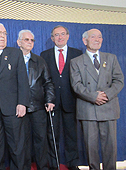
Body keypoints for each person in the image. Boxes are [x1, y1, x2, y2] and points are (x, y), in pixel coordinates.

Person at [70, 28, 124, 170]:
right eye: (93, 37)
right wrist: (94, 96)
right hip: (88, 109)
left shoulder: (111, 58)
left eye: (100, 37)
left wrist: (106, 95)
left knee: (110, 147)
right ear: (84, 40)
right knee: (91, 147)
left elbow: (119, 80)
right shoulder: (76, 62)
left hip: (109, 107)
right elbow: (76, 85)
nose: (97, 40)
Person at [0, 23, 30, 170]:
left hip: (13, 107)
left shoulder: (15, 53)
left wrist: (22, 103)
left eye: (4, 33)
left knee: (17, 146)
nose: (2, 36)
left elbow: (23, 80)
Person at [40, 25, 82, 170]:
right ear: (52, 38)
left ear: (68, 36)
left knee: (71, 136)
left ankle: (73, 164)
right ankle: (54, 164)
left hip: (71, 101)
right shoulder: (44, 55)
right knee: (52, 136)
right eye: (56, 35)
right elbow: (44, 80)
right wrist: (47, 99)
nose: (60, 37)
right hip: (52, 102)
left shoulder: (77, 53)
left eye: (62, 34)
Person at [17, 29, 55, 170]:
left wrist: (49, 99)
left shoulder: (40, 60)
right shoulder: (13, 58)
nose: (30, 42)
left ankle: (43, 167)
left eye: (32, 40)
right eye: (26, 40)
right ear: (18, 42)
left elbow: (48, 82)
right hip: (19, 106)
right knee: (22, 141)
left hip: (38, 106)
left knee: (41, 139)